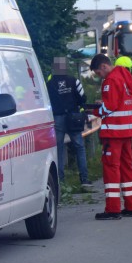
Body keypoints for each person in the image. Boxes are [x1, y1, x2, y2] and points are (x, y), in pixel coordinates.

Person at [89, 54, 132, 220]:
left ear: (104, 66)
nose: (98, 76)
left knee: (111, 169)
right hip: (127, 131)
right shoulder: (126, 77)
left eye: (97, 73)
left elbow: (110, 106)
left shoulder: (110, 80)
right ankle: (131, 206)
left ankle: (113, 209)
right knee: (126, 168)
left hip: (114, 132)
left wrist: (94, 112)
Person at [46, 56, 90, 190]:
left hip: (57, 117)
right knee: (79, 147)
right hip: (73, 117)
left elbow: (46, 100)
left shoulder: (49, 82)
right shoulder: (73, 80)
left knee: (58, 148)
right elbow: (83, 96)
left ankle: (61, 181)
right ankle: (84, 180)